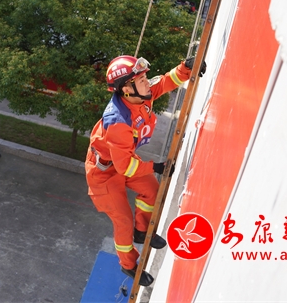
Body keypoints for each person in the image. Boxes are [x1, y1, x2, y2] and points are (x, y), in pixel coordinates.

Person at [85, 55, 206, 286]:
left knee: (151, 189)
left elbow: (165, 82)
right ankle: (128, 264)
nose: (146, 82)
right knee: (123, 221)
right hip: (103, 175)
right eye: (141, 79)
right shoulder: (118, 121)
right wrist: (155, 166)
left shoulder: (140, 95)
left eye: (144, 77)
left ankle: (142, 232)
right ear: (126, 89)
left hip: (121, 160)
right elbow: (125, 167)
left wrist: (186, 68)